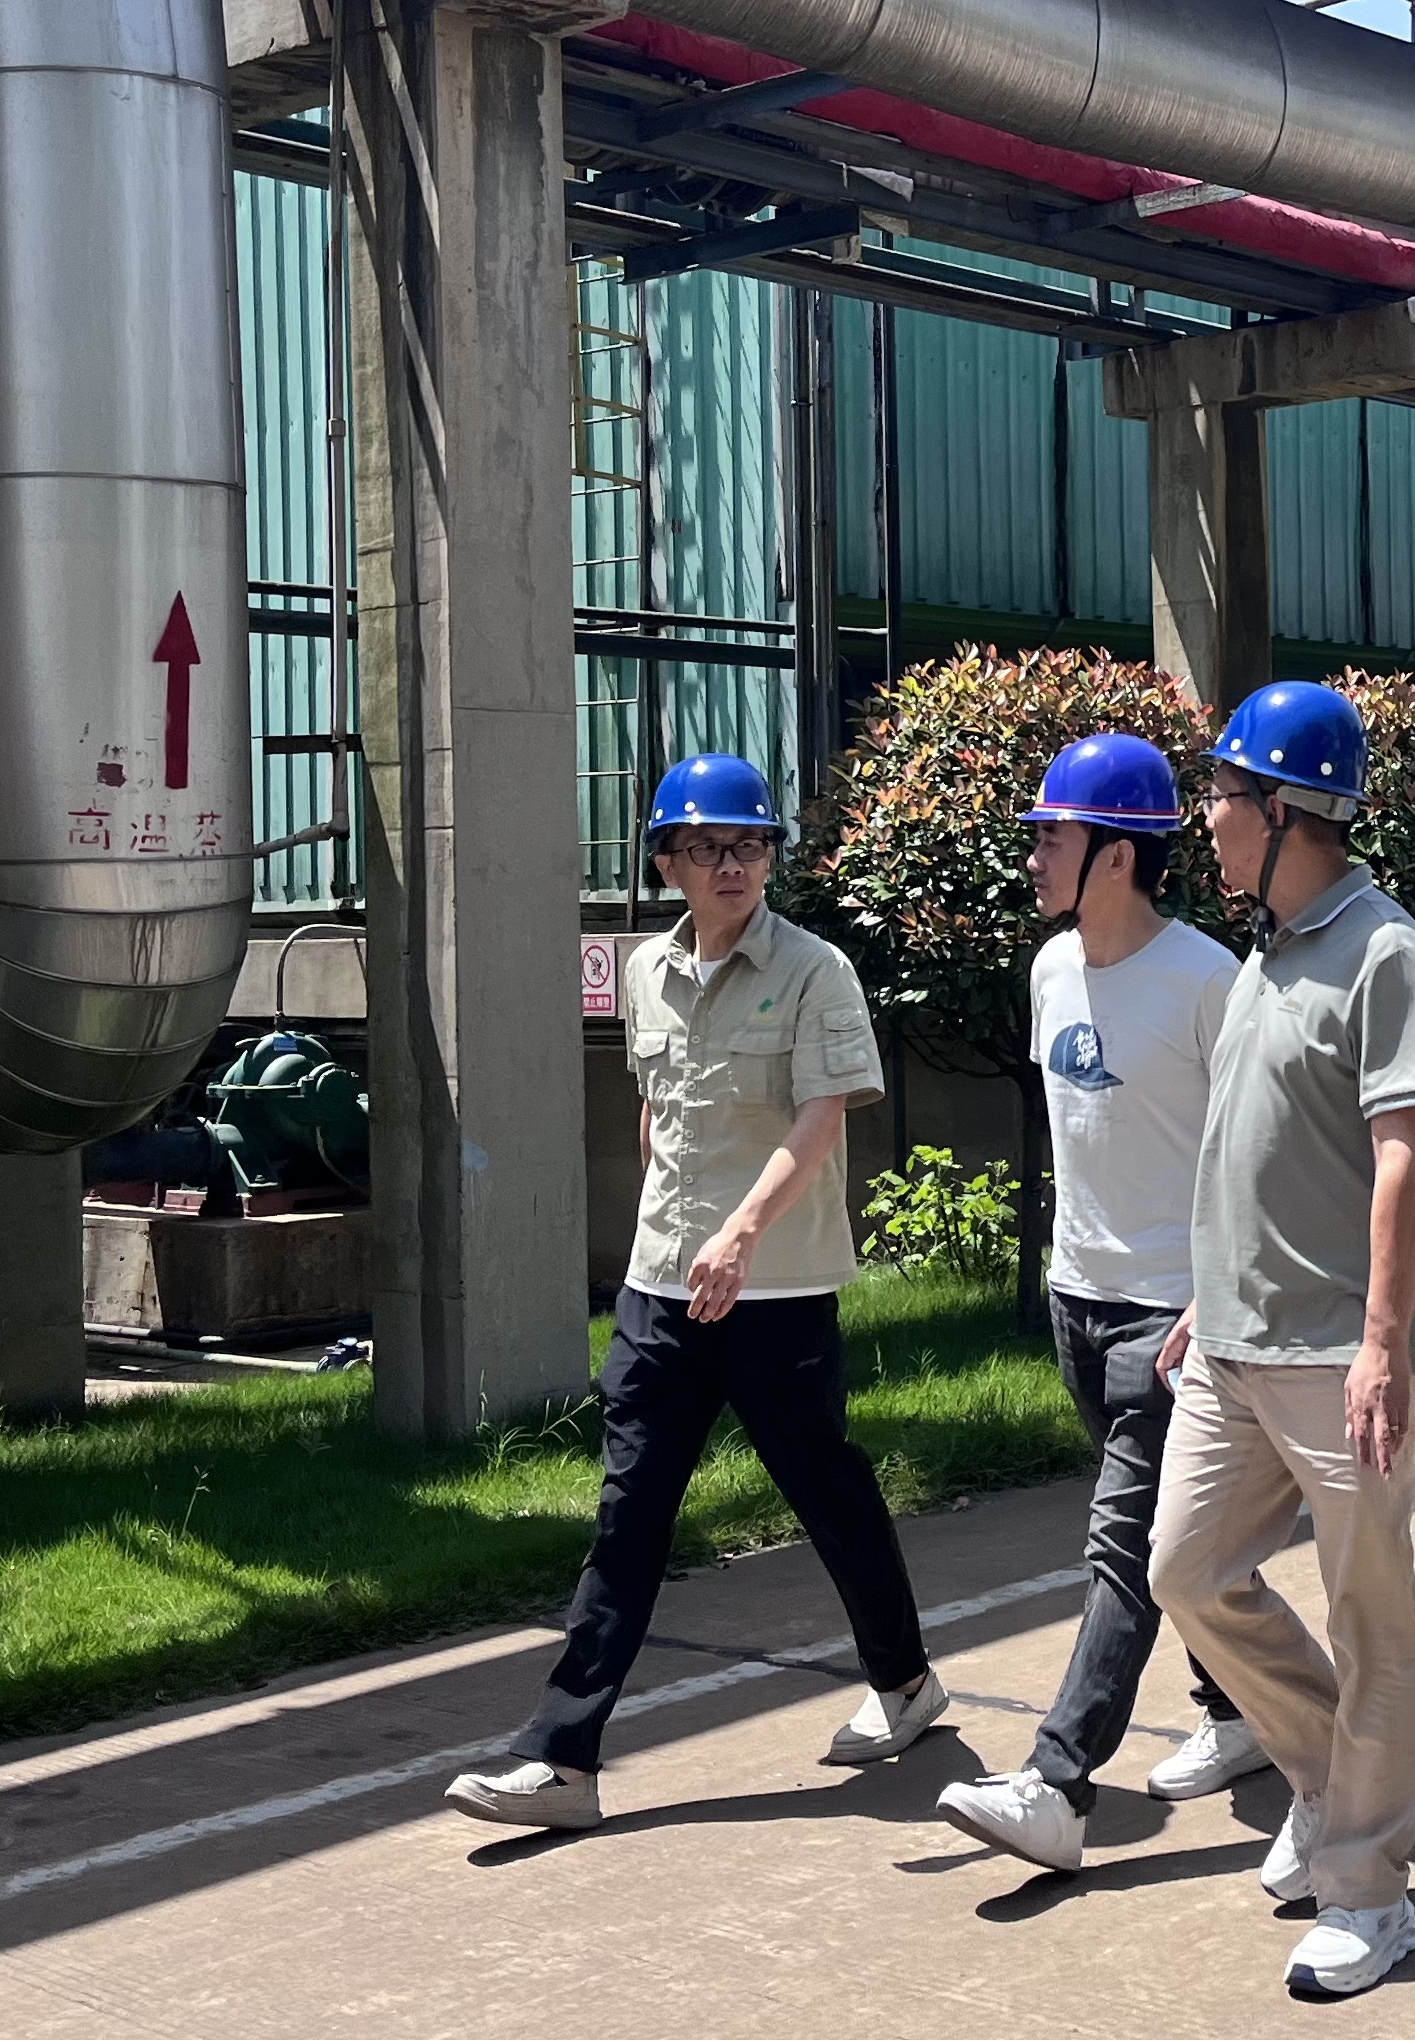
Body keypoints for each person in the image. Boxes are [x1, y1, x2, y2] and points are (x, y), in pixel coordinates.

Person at [446, 755, 945, 1832]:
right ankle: (561, 1757)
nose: (734, 864)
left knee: (826, 1491)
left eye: (751, 844)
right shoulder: (646, 972)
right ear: (666, 861)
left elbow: (822, 1117)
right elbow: (656, 1111)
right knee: (630, 1514)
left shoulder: (814, 970)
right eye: (709, 846)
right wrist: (669, 1238)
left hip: (777, 1290)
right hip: (662, 1292)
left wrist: (741, 1233)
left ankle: (905, 1682)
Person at [1147, 682, 1415, 2000]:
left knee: (1369, 1616)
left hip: (1342, 1356)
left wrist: (1384, 1344)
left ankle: (1371, 1892)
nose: (1205, 816)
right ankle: (1334, 1779)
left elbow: (1403, 1158)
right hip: (1233, 1343)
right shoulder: (1268, 952)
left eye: (1221, 794)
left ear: (1285, 810)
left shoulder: (1386, 955)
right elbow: (1253, 1151)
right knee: (1187, 1571)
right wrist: (1204, 1295)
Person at [933, 735, 1258, 1872]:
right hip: (1077, 1303)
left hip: (1172, 1317)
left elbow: (1252, 1153)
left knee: (1122, 1546)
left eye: (1052, 835)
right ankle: (1245, 1705)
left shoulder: (1210, 981)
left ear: (1118, 854)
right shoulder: (1049, 970)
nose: (1032, 855)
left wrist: (1215, 1294)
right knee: (1180, 1541)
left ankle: (1057, 1783)